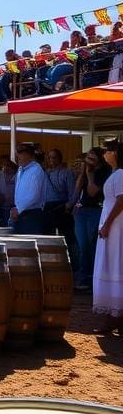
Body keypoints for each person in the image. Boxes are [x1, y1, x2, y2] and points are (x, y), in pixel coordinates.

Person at [92, 139, 123, 334]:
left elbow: (121, 200)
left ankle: (115, 315)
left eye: (108, 151)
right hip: (111, 224)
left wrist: (108, 224)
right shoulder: (114, 173)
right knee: (110, 263)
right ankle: (113, 314)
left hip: (117, 226)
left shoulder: (120, 174)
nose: (105, 154)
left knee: (115, 263)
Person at [74, 146, 110, 292]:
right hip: (82, 210)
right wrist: (83, 173)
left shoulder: (104, 172)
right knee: (82, 246)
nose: (88, 161)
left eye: (91, 158)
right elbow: (77, 188)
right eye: (87, 157)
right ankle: (83, 278)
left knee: (91, 244)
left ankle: (93, 278)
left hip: (95, 210)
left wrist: (89, 175)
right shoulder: (86, 171)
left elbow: (93, 191)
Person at [43, 149, 78, 265]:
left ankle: (71, 262)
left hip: (62, 206)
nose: (51, 160)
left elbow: (72, 191)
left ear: (60, 159)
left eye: (54, 157)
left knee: (67, 237)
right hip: (48, 207)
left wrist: (70, 204)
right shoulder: (45, 173)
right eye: (49, 157)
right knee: (49, 235)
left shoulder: (67, 172)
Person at [12, 143, 47, 234]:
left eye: (22, 153)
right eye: (18, 153)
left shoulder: (36, 170)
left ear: (30, 156)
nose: (18, 156)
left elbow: (34, 196)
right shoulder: (20, 169)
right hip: (20, 212)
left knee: (28, 245)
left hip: (32, 213)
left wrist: (18, 209)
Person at [0, 158, 18, 225]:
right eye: (4, 165)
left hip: (15, 206)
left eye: (8, 165)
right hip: (3, 206)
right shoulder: (0, 175)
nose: (5, 167)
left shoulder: (18, 175)